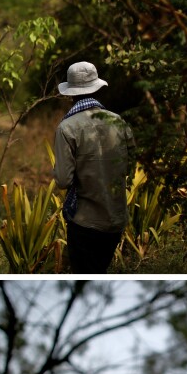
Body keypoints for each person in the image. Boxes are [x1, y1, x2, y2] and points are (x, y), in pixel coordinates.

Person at [52, 61, 135, 273]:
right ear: (97, 87)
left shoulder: (67, 128)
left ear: (70, 94)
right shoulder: (119, 122)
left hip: (85, 223)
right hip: (116, 220)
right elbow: (130, 166)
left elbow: (63, 181)